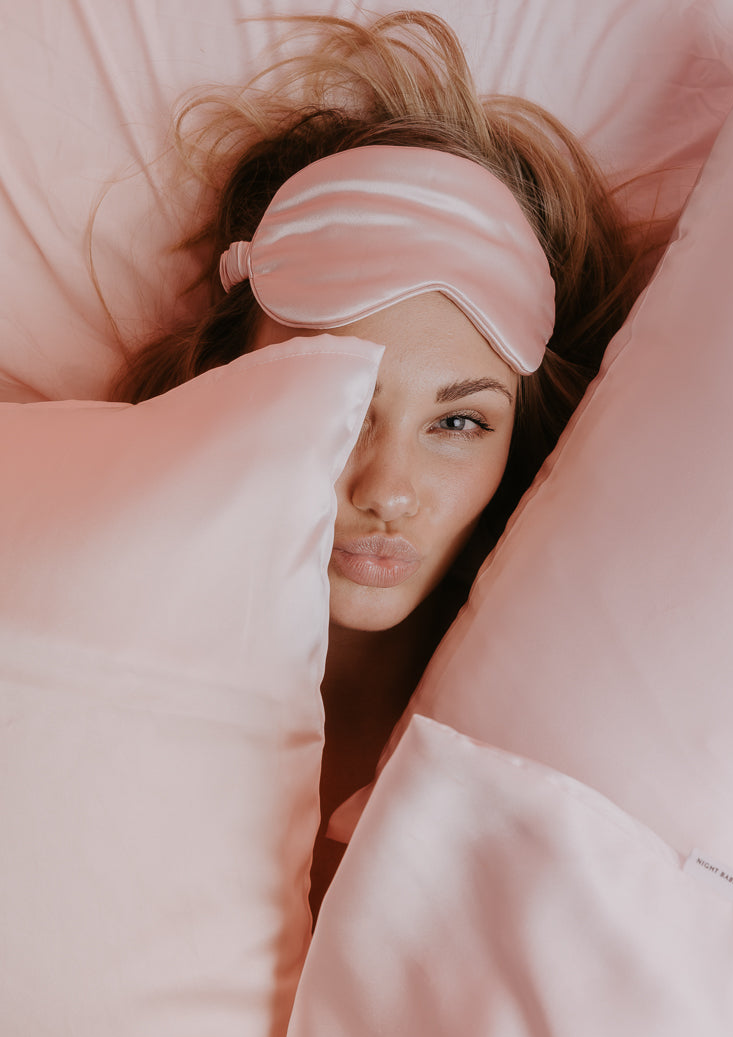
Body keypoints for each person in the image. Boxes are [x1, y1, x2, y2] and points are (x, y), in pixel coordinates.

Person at [108, 11, 663, 917]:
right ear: (224, 378)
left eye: (458, 423)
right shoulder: (90, 635)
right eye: (343, 405)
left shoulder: (563, 742)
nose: (385, 491)